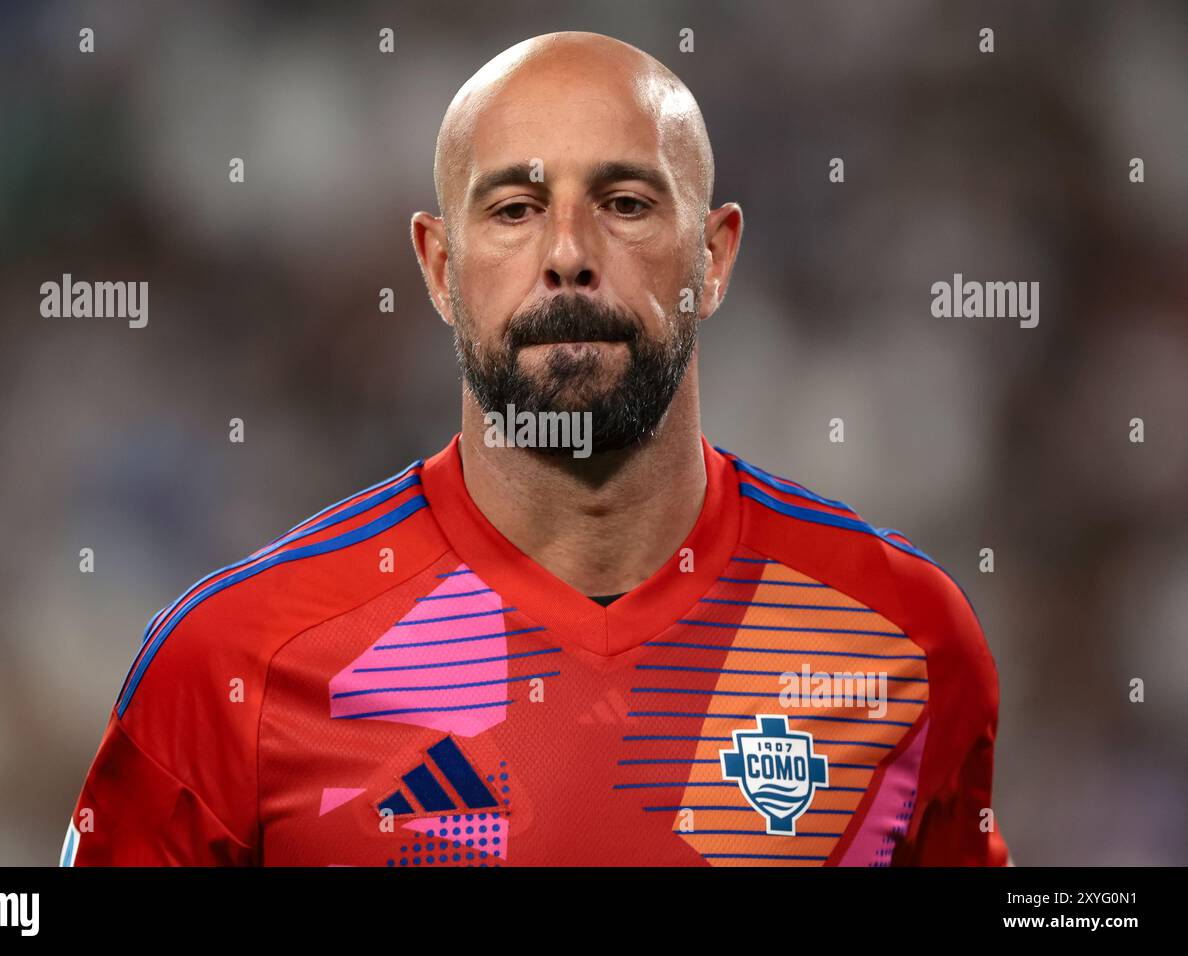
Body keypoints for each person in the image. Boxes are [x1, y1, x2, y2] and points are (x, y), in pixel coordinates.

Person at [62, 31, 1010, 867]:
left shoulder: (902, 637)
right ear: (438, 267)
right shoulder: (233, 665)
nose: (567, 250)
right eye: (513, 208)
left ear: (713, 260)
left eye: (627, 203)